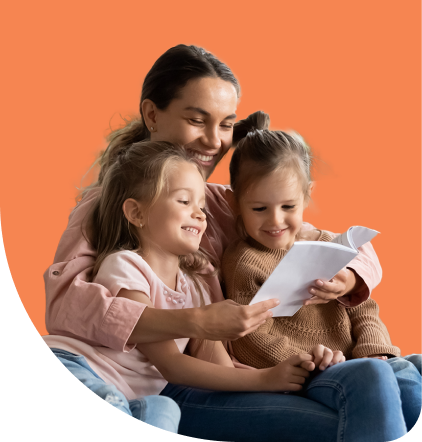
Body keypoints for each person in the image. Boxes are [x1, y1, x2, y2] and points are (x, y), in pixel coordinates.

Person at [42, 45, 390, 440]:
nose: (214, 141)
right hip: (150, 381)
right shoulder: (104, 209)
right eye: (197, 120)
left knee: (388, 382)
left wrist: (347, 274)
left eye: (226, 125)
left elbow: (326, 237)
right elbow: (69, 305)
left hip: (214, 373)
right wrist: (198, 323)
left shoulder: (223, 203)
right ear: (152, 115)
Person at [222, 110, 422, 433]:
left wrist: (374, 351)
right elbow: (250, 337)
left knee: (412, 382)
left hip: (363, 359)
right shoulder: (244, 261)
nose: (275, 221)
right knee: (404, 392)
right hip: (316, 372)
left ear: (307, 195)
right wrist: (310, 360)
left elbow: (364, 308)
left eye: (288, 207)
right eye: (259, 209)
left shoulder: (329, 244)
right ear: (235, 204)